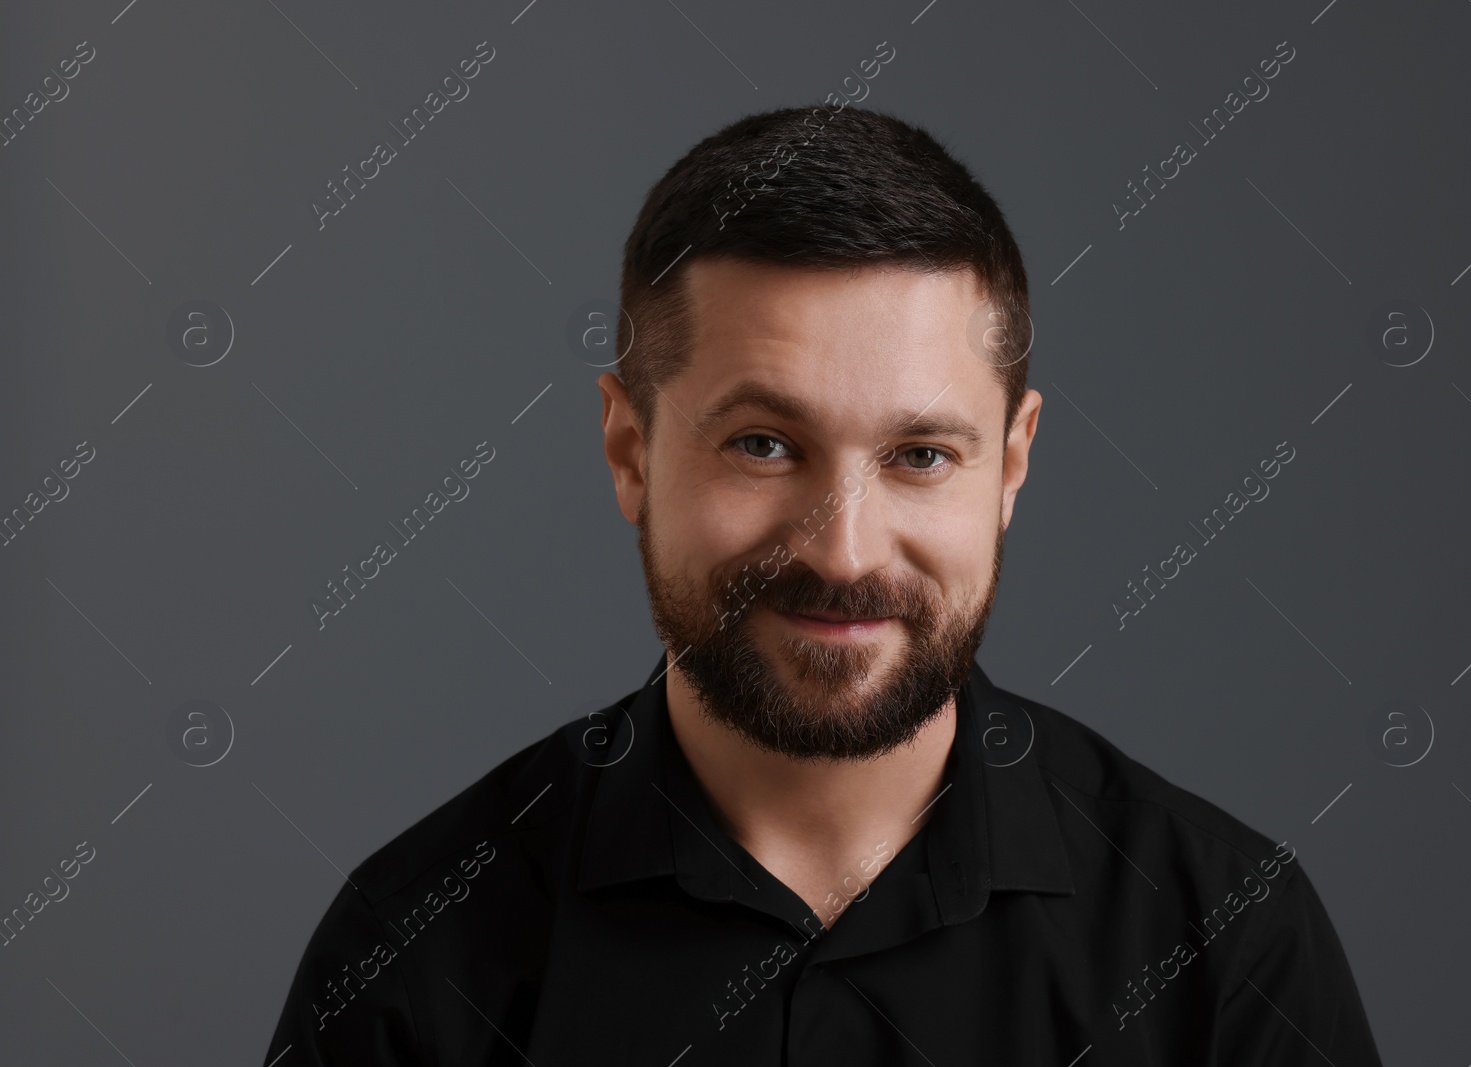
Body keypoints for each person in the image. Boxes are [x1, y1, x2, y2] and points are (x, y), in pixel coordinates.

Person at [262, 105, 1383, 1065]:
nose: (844, 553)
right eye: (762, 444)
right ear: (630, 450)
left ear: (1012, 462)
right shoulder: (415, 951)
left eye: (920, 455)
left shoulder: (1225, 941)